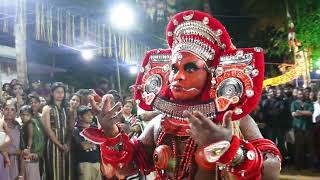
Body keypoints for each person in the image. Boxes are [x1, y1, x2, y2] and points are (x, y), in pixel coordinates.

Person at [82, 10, 281, 179]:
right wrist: (111, 133)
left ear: (212, 75)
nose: (178, 77)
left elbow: (271, 170)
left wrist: (230, 150)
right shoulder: (161, 122)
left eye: (191, 68)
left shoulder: (232, 119)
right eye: (174, 69)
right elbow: (126, 168)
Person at [41, 82, 73, 180]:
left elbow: (70, 128)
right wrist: (60, 145)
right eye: (57, 92)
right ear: (52, 93)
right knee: (53, 171)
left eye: (62, 92)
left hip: (66, 144)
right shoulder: (47, 108)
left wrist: (67, 143)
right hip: (53, 145)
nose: (60, 95)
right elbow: (48, 129)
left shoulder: (67, 108)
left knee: (66, 171)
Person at [73, 105, 101, 180]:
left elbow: (101, 143)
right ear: (80, 117)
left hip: (97, 163)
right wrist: (95, 140)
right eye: (87, 114)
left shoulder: (94, 128)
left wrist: (94, 141)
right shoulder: (76, 130)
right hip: (85, 164)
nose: (90, 116)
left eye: (91, 114)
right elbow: (84, 146)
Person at [18, 105, 45, 180]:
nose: (25, 117)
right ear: (19, 115)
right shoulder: (33, 122)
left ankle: (21, 176)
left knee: (27, 163)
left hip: (32, 150)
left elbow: (30, 137)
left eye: (27, 115)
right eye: (23, 115)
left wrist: (28, 149)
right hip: (36, 152)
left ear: (31, 116)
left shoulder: (30, 124)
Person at [291, 88, 314, 170]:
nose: (301, 95)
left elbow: (310, 113)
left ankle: (309, 166)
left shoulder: (309, 102)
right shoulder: (294, 103)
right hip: (298, 129)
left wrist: (299, 112)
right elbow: (293, 114)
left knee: (309, 148)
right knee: (298, 148)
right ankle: (298, 166)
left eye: (302, 94)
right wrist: (305, 112)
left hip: (308, 128)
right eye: (300, 94)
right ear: (297, 95)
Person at [3, 101, 21, 179]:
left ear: (16, 112)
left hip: (16, 162)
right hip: (3, 160)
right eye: (6, 109)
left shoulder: (19, 127)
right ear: (2, 110)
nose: (9, 112)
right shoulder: (0, 126)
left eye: (12, 109)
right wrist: (13, 151)